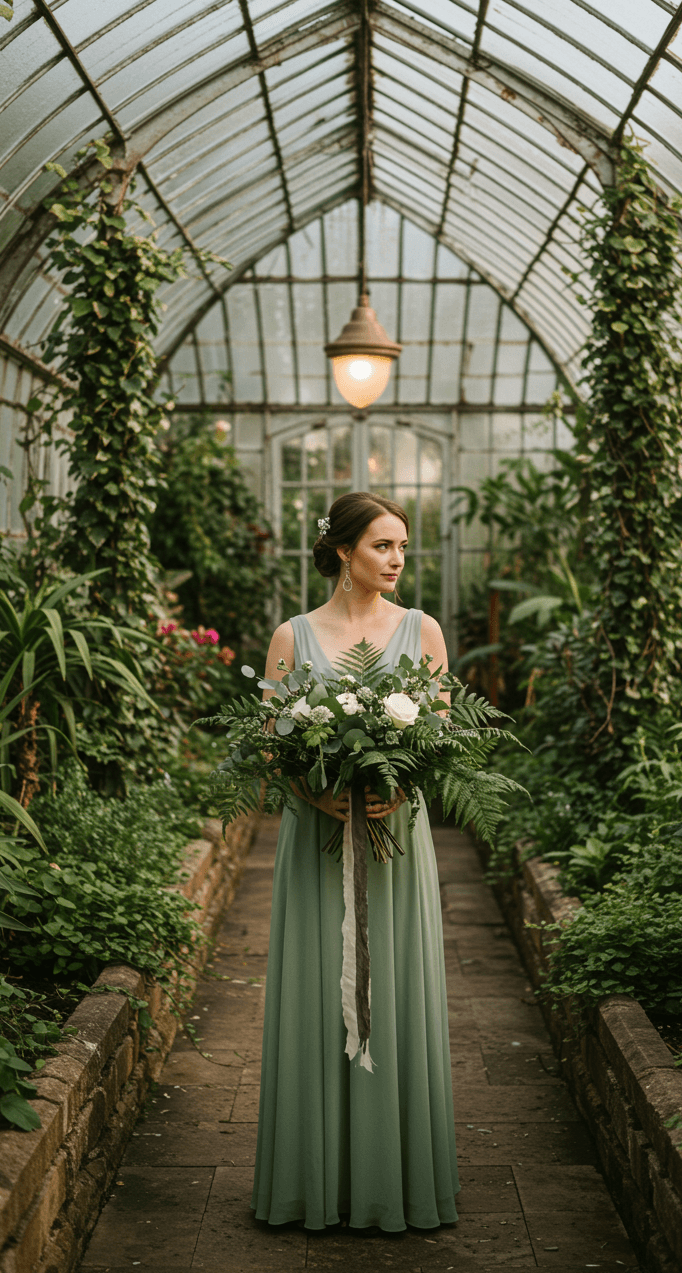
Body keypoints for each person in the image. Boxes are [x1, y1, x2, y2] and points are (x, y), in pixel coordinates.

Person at [250, 490, 460, 1234]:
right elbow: (273, 746)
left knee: (396, 995)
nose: (398, 559)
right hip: (316, 844)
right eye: (382, 546)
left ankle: (390, 1184)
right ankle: (311, 1184)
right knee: (313, 995)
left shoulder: (422, 631)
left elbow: (439, 734)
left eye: (403, 546)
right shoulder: (292, 637)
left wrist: (399, 785)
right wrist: (315, 791)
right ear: (343, 551)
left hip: (395, 846)